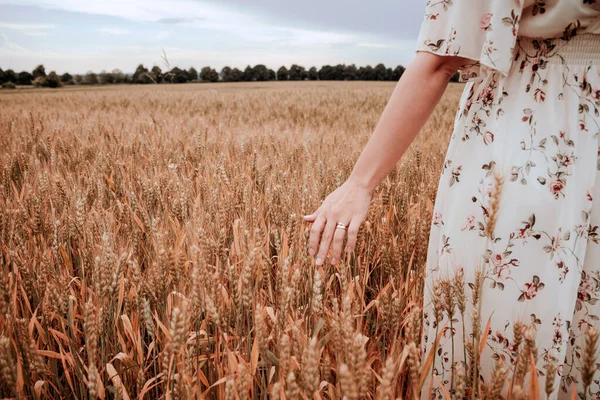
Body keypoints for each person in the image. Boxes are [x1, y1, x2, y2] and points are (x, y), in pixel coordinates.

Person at [302, 1, 600, 398]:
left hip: (529, 132)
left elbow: (441, 59)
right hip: (585, 119)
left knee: (496, 344)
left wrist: (360, 183)